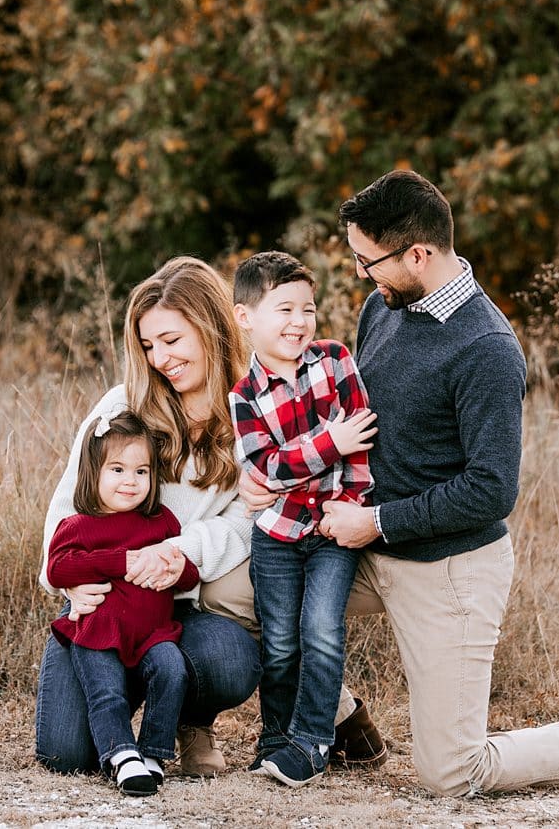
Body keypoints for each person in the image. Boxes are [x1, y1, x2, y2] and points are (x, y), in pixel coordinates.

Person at [37, 255, 383, 779]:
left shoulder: (256, 405)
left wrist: (180, 553)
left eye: (172, 341)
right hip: (106, 607)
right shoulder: (120, 410)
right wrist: (71, 584)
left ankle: (191, 719)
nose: (161, 359)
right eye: (149, 346)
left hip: (182, 614)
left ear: (210, 325)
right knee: (67, 756)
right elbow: (67, 509)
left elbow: (253, 516)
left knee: (229, 659)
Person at [303, 169, 559, 795]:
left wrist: (374, 522)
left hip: (450, 568)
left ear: (418, 254)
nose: (361, 275)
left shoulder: (487, 348)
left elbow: (491, 490)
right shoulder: (383, 307)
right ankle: (346, 726)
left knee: (452, 774)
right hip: (363, 546)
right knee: (233, 595)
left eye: (366, 261)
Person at [229, 252, 377, 787]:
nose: (299, 321)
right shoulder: (243, 396)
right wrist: (328, 442)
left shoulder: (337, 361)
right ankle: (275, 738)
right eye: (284, 309)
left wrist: (353, 502)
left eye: (308, 309)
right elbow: (264, 468)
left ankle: (313, 739)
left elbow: (361, 443)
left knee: (319, 631)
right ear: (245, 317)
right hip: (276, 535)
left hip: (334, 528)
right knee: (280, 640)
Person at [47, 410, 200, 796]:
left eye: (141, 472)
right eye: (117, 469)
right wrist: (120, 560)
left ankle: (152, 752)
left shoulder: (161, 522)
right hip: (98, 631)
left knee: (172, 670)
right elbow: (59, 569)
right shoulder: (79, 525)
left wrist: (176, 568)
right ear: (93, 473)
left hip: (153, 633)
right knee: (107, 691)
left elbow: (187, 576)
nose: (130, 481)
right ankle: (121, 755)